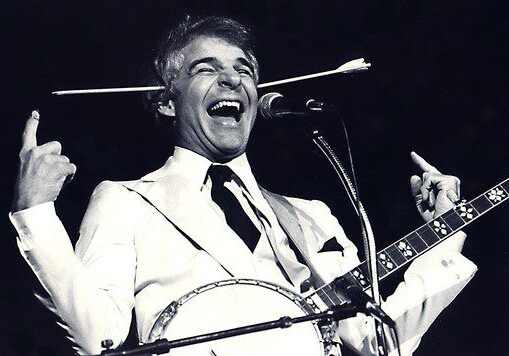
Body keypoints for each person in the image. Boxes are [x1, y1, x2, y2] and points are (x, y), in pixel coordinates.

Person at [10, 16, 477, 355]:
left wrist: (445, 235)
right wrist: (35, 214)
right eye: (206, 69)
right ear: (166, 103)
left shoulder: (311, 216)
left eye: (245, 69)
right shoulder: (126, 200)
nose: (233, 78)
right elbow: (99, 338)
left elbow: (382, 343)